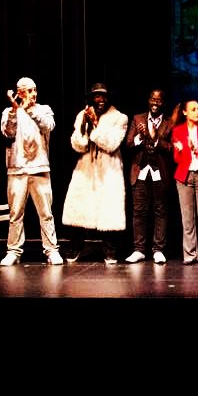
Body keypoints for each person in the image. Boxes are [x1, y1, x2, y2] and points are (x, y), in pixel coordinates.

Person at [0, 77, 63, 266]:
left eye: (35, 90)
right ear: (20, 93)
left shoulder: (44, 109)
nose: (33, 94)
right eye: (28, 91)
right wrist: (14, 109)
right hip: (17, 169)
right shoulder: (9, 112)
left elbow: (48, 125)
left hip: (39, 168)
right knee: (15, 212)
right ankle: (13, 251)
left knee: (46, 212)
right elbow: (8, 132)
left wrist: (29, 109)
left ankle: (51, 250)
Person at [63, 82, 129, 264]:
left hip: (109, 170)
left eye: (103, 96)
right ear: (91, 98)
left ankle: (110, 251)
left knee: (109, 211)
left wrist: (95, 124)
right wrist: (85, 127)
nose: (100, 99)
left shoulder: (120, 118)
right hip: (86, 169)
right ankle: (75, 247)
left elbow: (111, 144)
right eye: (96, 96)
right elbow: (78, 144)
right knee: (78, 210)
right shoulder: (81, 115)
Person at [124, 89, 173, 264]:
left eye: (159, 100)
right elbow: (128, 144)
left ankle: (158, 249)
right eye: (153, 99)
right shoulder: (137, 119)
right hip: (141, 171)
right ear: (148, 100)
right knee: (139, 211)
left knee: (160, 210)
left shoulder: (169, 123)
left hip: (160, 172)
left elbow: (172, 149)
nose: (155, 102)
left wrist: (156, 139)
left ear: (163, 103)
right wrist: (140, 136)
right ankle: (139, 250)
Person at [171, 99, 198, 265]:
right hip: (185, 176)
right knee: (187, 219)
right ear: (185, 112)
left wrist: (196, 150)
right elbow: (177, 159)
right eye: (193, 109)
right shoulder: (178, 130)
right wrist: (181, 150)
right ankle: (189, 254)